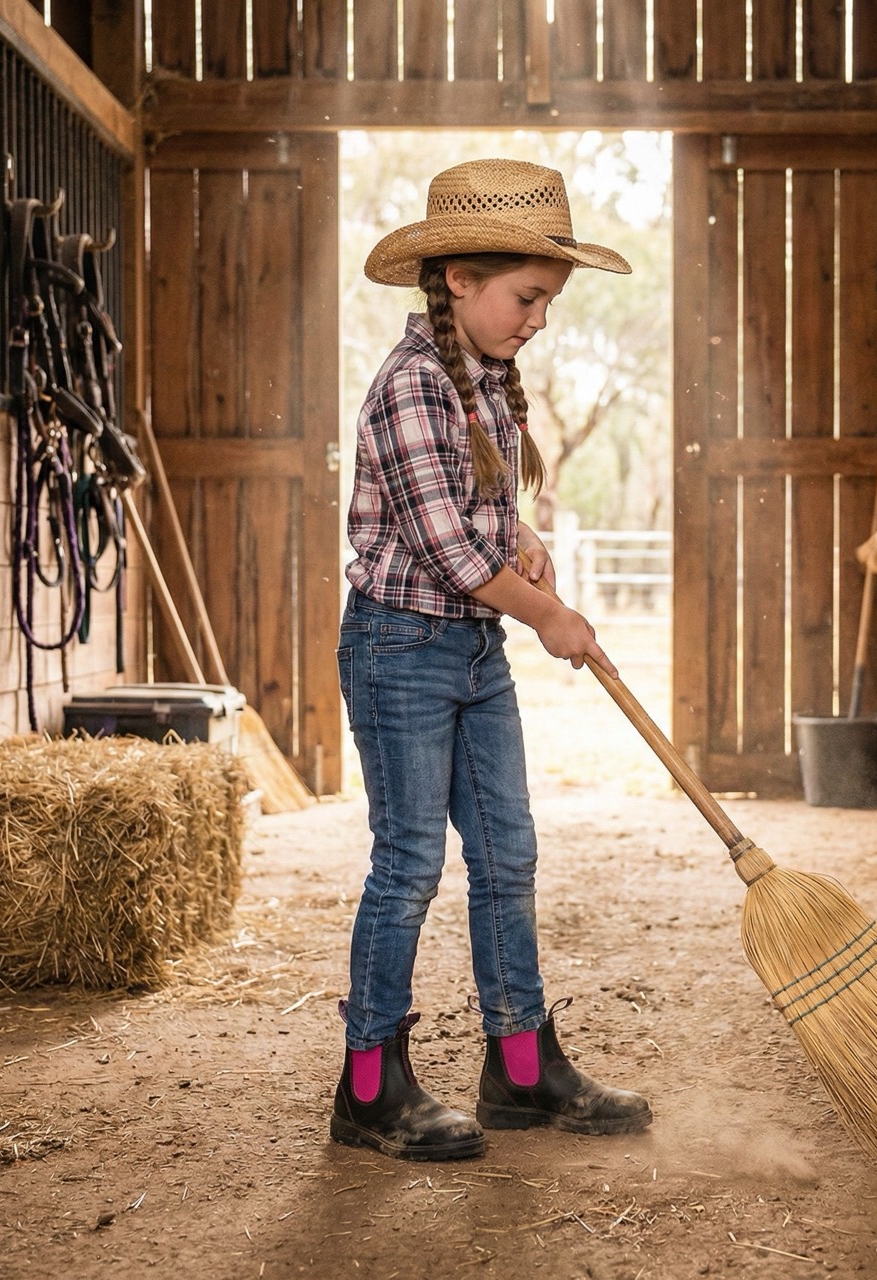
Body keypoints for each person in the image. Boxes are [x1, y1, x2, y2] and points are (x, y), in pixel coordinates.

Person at [331, 158, 653, 1162]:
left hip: (466, 650)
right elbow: (445, 551)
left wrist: (517, 526)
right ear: (458, 279)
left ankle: (520, 1066)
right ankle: (369, 1083)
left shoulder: (477, 379)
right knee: (408, 862)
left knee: (507, 853)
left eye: (546, 301)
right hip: (401, 649)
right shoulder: (407, 383)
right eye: (526, 297)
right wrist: (546, 612)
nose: (537, 319)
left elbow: (471, 519)